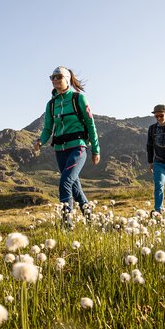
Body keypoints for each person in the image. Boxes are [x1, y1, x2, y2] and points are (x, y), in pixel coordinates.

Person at [35, 66, 100, 223]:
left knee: (65, 181)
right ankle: (91, 220)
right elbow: (48, 128)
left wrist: (96, 150)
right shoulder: (51, 104)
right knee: (75, 187)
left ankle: (67, 223)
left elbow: (90, 124)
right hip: (60, 150)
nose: (55, 80)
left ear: (67, 79)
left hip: (78, 147)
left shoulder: (78, 99)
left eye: (58, 77)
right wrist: (40, 141)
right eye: (52, 77)